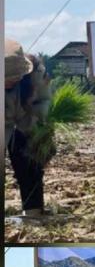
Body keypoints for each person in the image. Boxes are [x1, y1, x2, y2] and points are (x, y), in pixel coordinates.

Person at [5, 38, 51, 218]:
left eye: (16, 76)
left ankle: (33, 211)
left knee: (29, 160)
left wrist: (41, 138)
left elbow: (44, 103)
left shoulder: (36, 74)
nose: (14, 80)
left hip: (27, 119)